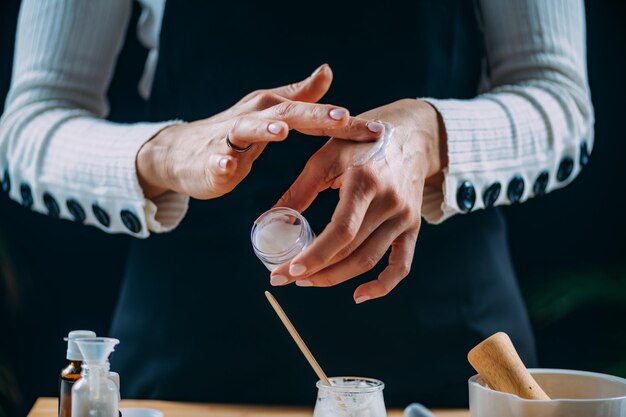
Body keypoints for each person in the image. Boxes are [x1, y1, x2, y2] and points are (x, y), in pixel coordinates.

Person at [0, 0, 593, 408]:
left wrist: (425, 138)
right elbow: (29, 124)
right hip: (188, 340)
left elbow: (561, 99)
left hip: (445, 342)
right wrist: (167, 151)